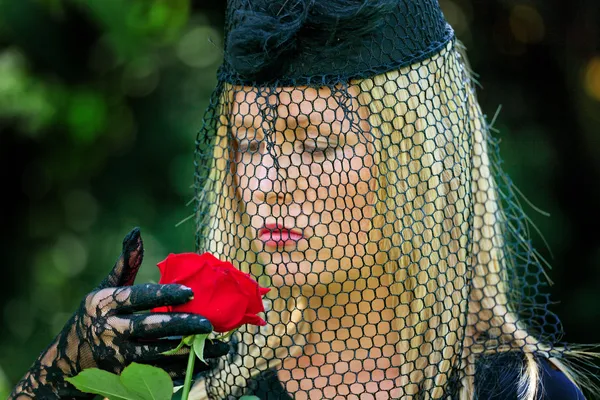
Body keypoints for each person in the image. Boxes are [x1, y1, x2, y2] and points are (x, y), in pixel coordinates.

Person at [9, 0, 594, 399]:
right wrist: (66, 371)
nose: (265, 183)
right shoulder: (202, 373)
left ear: (417, 163)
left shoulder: (519, 391)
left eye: (316, 145)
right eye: (247, 143)